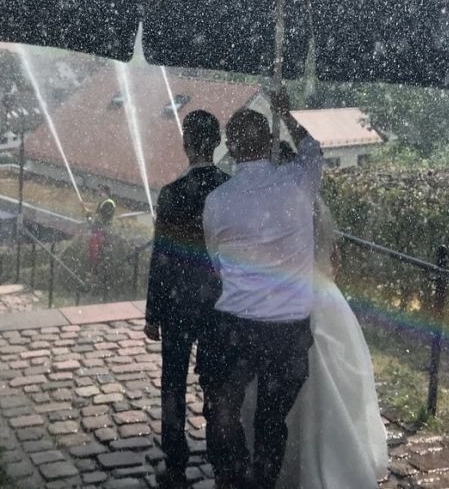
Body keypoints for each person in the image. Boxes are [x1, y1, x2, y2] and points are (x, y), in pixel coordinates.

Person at [239, 143, 390, 489]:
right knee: (325, 376)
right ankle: (333, 458)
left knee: (276, 381)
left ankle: (276, 460)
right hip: (319, 293)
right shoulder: (312, 206)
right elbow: (330, 257)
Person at [199, 88, 321, 489]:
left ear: (231, 148)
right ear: (270, 142)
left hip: (235, 326)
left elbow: (216, 263)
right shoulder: (299, 182)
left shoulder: (218, 201)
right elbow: (313, 149)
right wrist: (286, 113)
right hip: (289, 330)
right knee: (271, 418)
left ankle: (232, 473)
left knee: (222, 409)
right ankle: (262, 480)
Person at [144, 110, 230, 489]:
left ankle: (175, 462)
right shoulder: (229, 189)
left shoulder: (171, 193)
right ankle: (220, 456)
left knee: (173, 382)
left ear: (186, 144)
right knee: (217, 381)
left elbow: (161, 256)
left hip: (178, 303)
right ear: (217, 143)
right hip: (219, 303)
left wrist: (153, 313)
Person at [88, 185, 116, 264]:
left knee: (99, 250)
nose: (99, 193)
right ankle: (97, 263)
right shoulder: (103, 202)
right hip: (99, 230)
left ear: (105, 192)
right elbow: (98, 216)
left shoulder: (108, 203)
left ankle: (98, 264)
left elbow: (102, 218)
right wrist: (89, 216)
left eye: (100, 191)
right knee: (96, 250)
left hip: (102, 231)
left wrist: (89, 218)